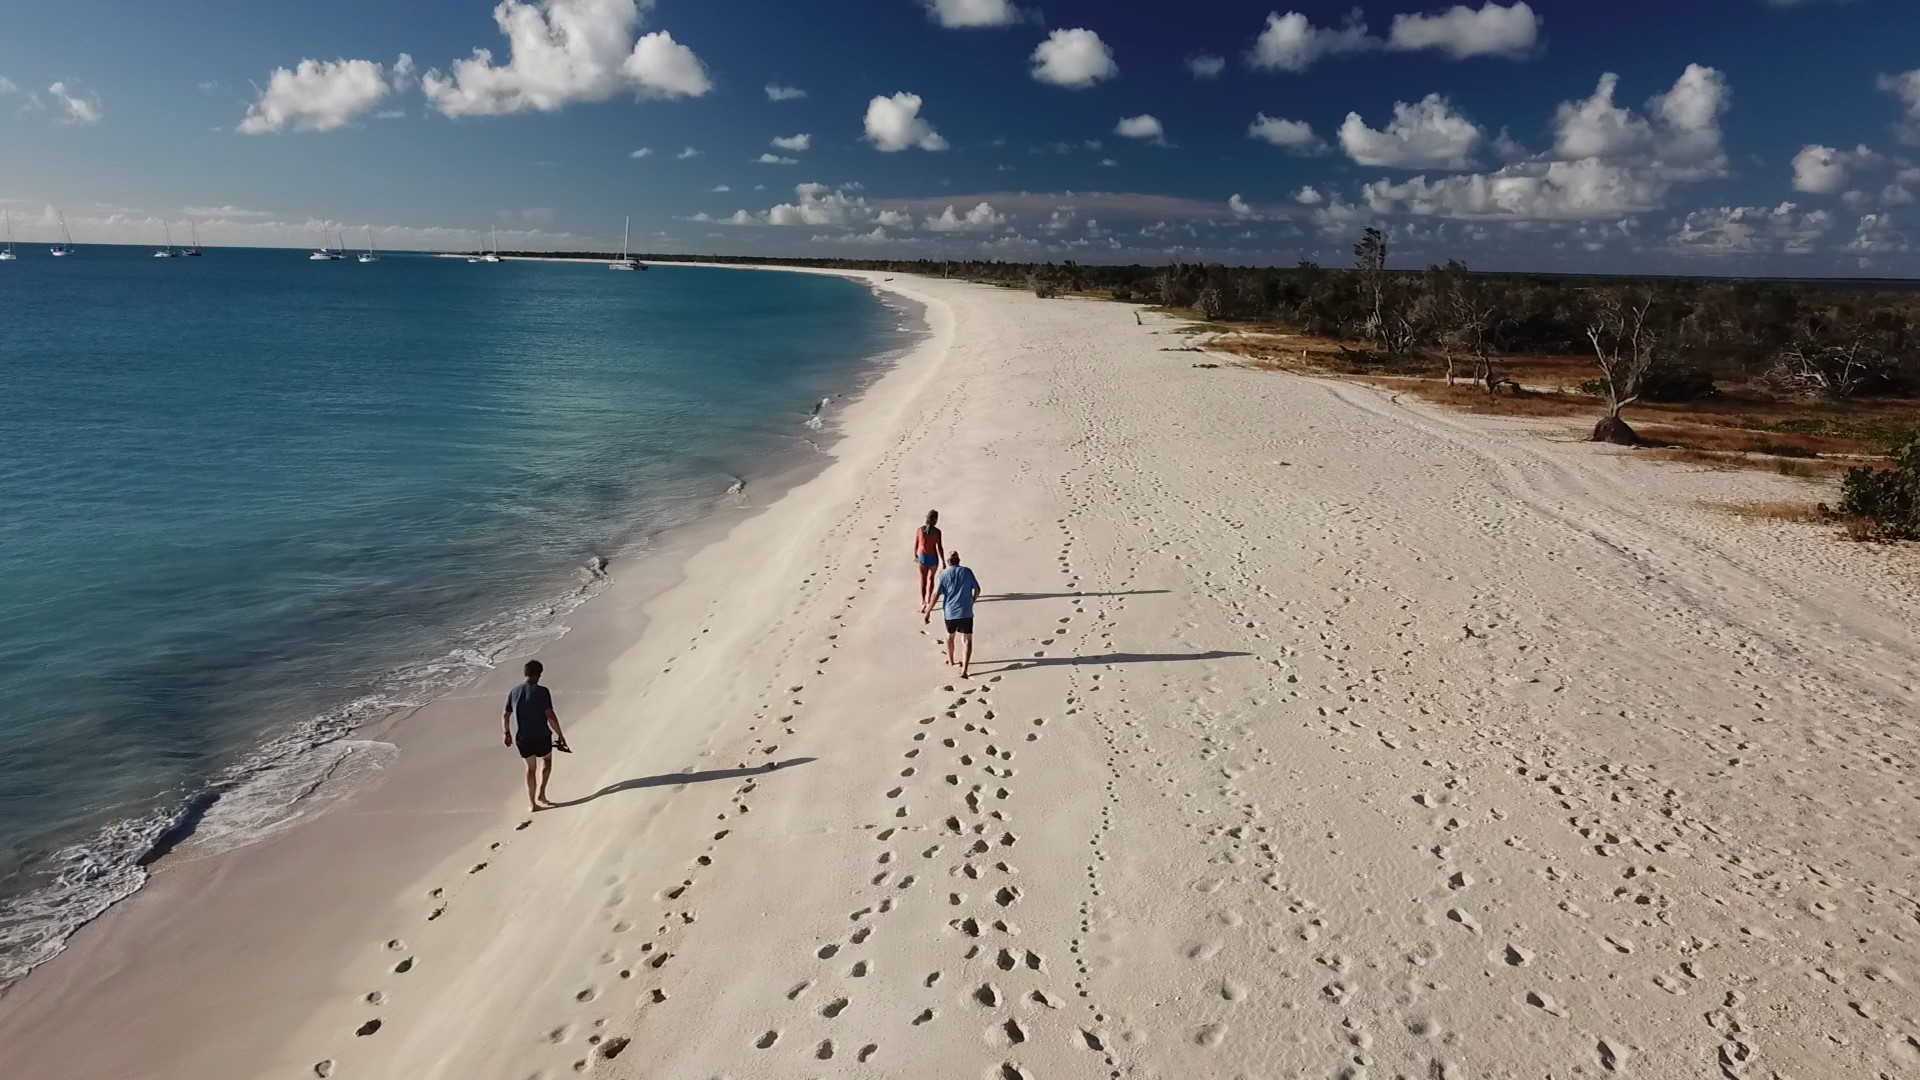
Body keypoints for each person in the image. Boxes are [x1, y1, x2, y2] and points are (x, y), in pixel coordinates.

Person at [503, 659, 569, 812]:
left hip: (522, 737)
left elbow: (506, 715)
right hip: (541, 735)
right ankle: (542, 794)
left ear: (525, 673)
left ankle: (532, 804)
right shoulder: (542, 691)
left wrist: (507, 733)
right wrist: (560, 735)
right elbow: (550, 716)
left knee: (530, 769)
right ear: (539, 674)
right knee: (547, 761)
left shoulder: (513, 691)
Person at [924, 550, 982, 679]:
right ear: (959, 560)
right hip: (966, 612)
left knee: (950, 637)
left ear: (948, 562)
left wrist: (928, 612)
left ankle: (951, 661)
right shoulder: (967, 571)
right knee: (967, 640)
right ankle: (965, 670)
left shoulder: (943, 575)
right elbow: (977, 589)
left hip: (950, 612)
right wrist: (972, 600)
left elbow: (936, 595)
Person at [912, 510, 945, 613]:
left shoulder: (920, 530)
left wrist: (915, 555)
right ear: (935, 520)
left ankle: (922, 601)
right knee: (931, 579)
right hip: (933, 558)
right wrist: (943, 561)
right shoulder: (937, 532)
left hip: (922, 557)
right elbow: (939, 547)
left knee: (923, 579)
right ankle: (928, 600)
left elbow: (916, 544)